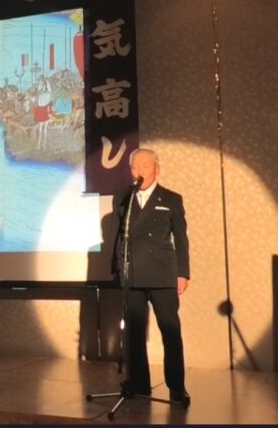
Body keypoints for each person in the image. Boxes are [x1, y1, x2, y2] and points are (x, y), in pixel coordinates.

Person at [110, 148, 190, 407]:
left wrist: (183, 273)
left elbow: (181, 239)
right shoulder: (123, 197)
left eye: (144, 166)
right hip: (132, 272)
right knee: (134, 332)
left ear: (156, 169)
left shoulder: (171, 198)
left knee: (170, 330)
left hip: (163, 273)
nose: (138, 171)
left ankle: (177, 387)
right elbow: (117, 235)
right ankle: (139, 384)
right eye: (134, 167)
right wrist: (117, 268)